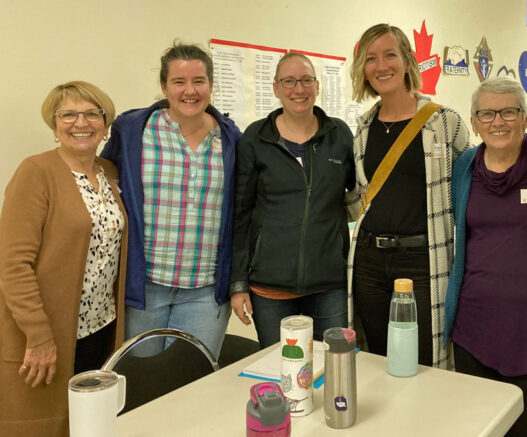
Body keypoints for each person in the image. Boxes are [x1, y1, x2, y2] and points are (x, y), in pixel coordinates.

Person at [443, 77, 527, 436]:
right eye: (486, 113)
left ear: (525, 117)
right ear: (474, 122)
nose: (497, 122)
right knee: (481, 426)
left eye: (508, 112)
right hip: (475, 329)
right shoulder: (464, 168)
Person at [0, 81, 127, 436]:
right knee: (44, 426)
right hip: (47, 333)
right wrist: (38, 336)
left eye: (91, 113)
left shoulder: (109, 173)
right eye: (67, 114)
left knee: (89, 424)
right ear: (54, 126)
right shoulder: (36, 172)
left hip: (100, 328)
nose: (80, 122)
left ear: (105, 123)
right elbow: (12, 265)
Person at [101, 43, 241, 359]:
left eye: (198, 81)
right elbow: (104, 184)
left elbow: (242, 213)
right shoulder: (133, 130)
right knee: (141, 383)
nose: (189, 91)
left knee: (195, 382)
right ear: (164, 86)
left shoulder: (232, 140)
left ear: (210, 85)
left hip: (206, 292)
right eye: (179, 82)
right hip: (144, 287)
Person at [348, 23, 470, 369]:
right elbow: (360, 194)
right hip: (370, 261)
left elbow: (472, 185)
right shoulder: (363, 128)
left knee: (423, 360)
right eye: (371, 58)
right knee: (376, 357)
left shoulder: (445, 122)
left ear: (406, 62)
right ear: (363, 69)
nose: (381, 65)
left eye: (390, 55)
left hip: (422, 260)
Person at [229, 52, 358, 348]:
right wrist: (238, 284)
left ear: (317, 85)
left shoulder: (339, 135)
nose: (298, 89)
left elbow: (357, 191)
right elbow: (241, 214)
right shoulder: (255, 138)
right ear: (276, 88)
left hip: (330, 285)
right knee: (279, 368)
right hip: (269, 286)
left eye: (306, 81)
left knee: (332, 365)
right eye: (289, 81)